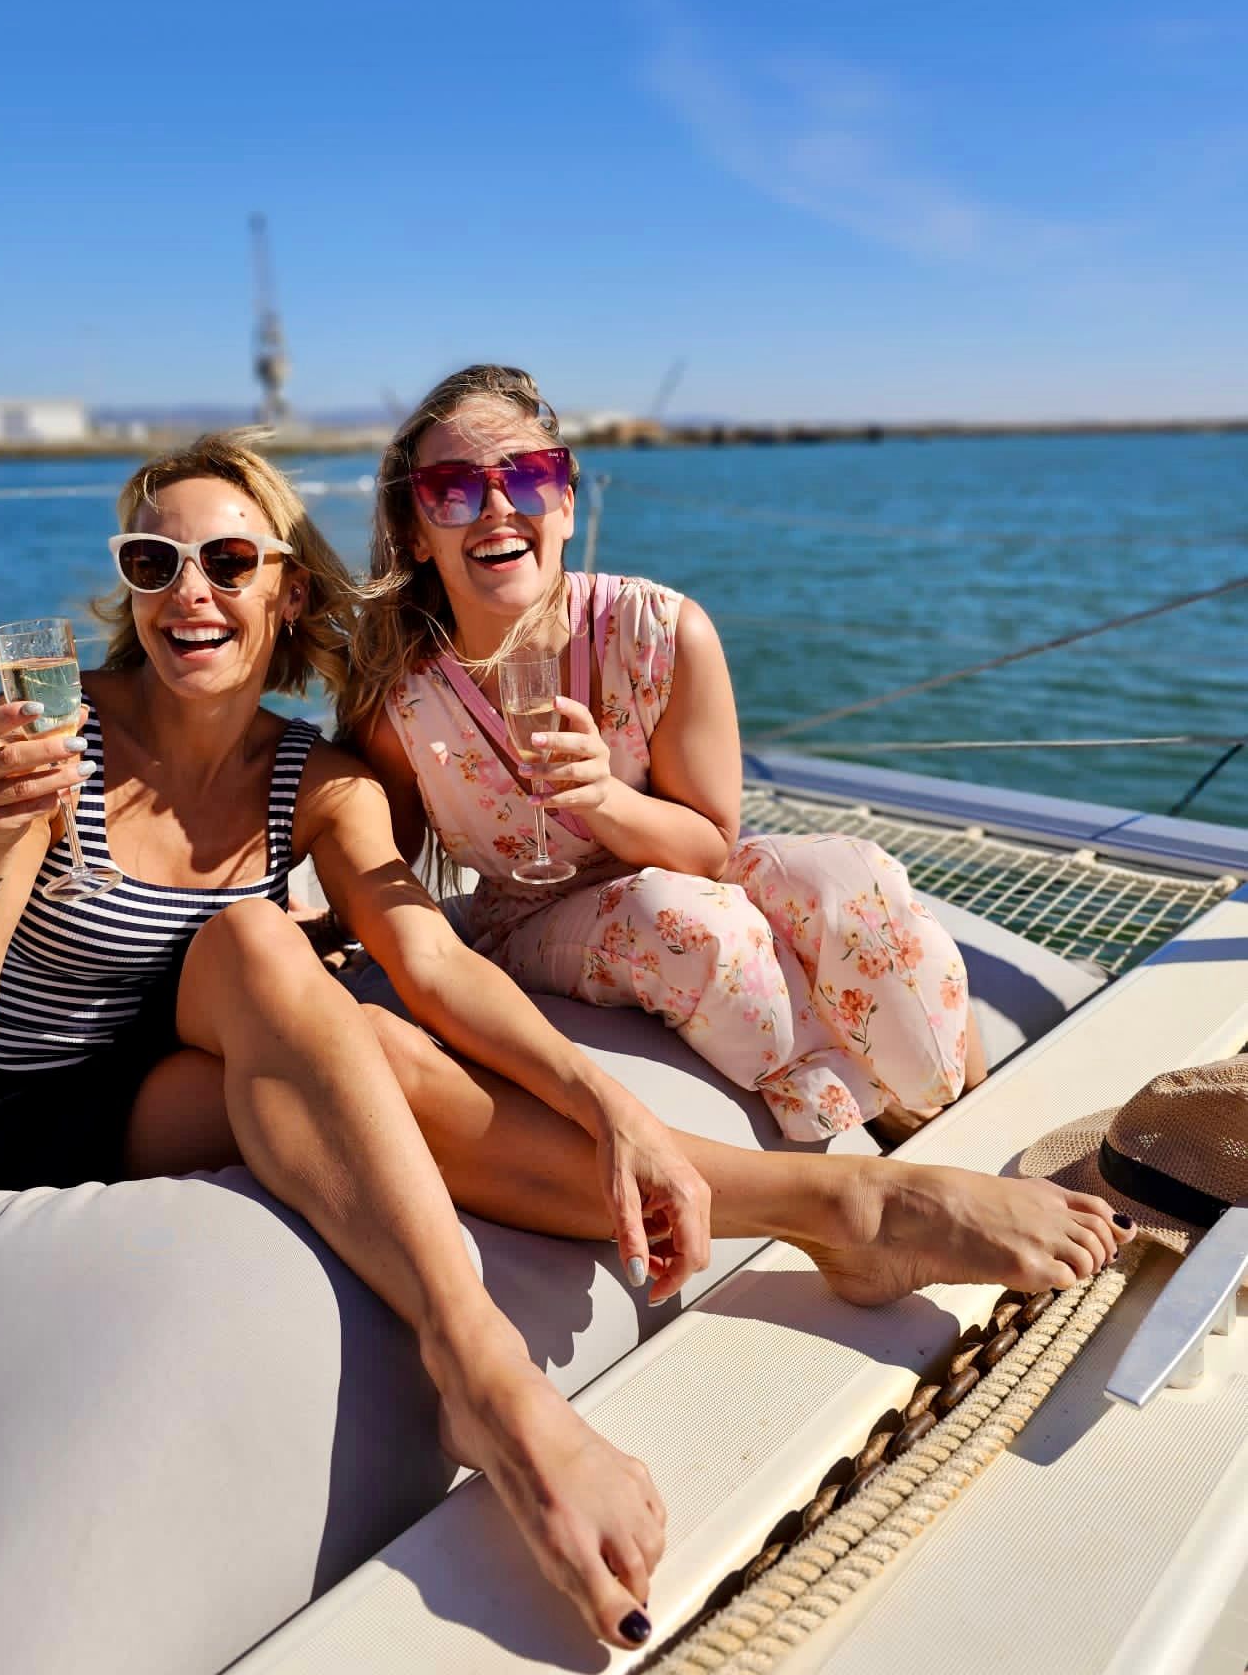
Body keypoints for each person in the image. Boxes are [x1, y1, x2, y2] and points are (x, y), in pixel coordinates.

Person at [0, 428, 1133, 1654]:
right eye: (154, 564)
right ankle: (499, 1366)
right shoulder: (54, 740)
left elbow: (428, 958)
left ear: (289, 586)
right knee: (263, 951)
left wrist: (613, 1108)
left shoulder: (316, 779)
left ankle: (851, 1210)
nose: (192, 592)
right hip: (43, 1107)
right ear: (131, 589)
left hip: (201, 1052)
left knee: (305, 983)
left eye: (228, 560)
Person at [345, 362, 986, 1147]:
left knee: (845, 875)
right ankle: (874, 1132)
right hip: (531, 920)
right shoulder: (402, 700)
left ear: (567, 502)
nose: (500, 507)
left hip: (682, 866)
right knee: (683, 922)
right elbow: (382, 859)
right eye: (454, 488)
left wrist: (603, 798)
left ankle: (963, 1098)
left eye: (530, 476)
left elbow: (712, 847)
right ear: (415, 530)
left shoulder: (658, 632)